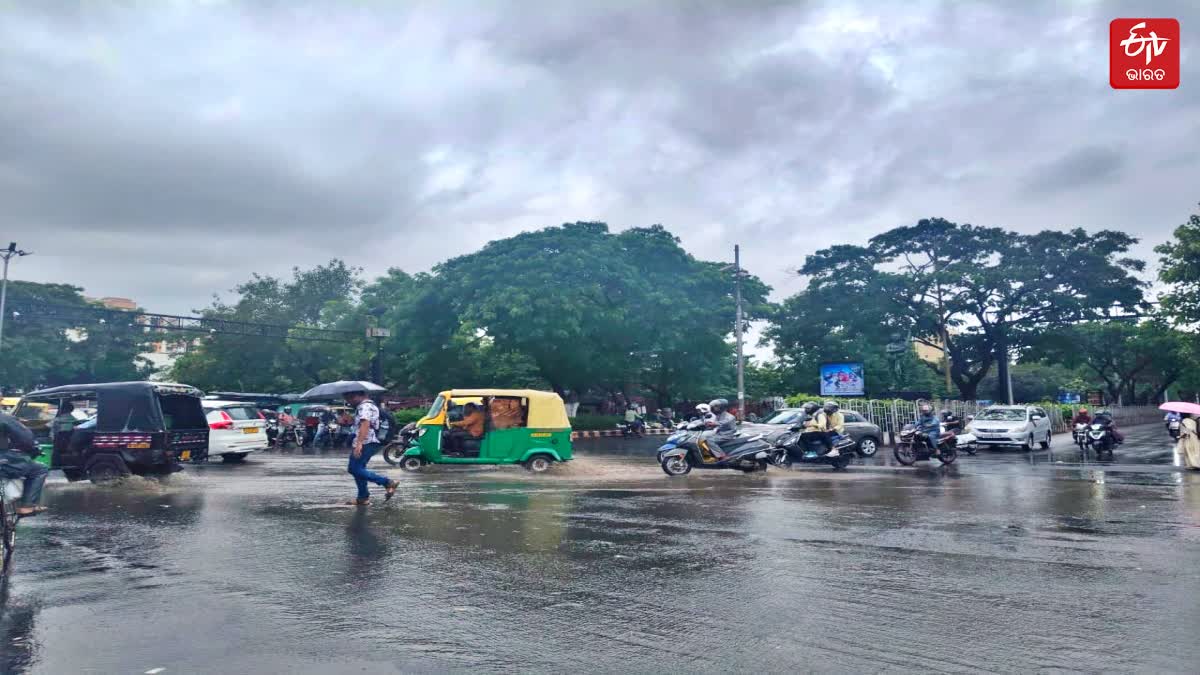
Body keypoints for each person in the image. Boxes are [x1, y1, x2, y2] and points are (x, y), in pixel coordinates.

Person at [342, 390, 398, 505]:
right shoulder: (368, 406)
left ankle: (387, 482)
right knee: (359, 468)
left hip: (367, 442)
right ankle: (362, 497)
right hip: (369, 441)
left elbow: (365, 424)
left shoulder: (365, 406)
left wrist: (359, 444)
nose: (349, 400)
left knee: (354, 469)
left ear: (360, 395)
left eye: (350, 397)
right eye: (347, 398)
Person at [0, 413, 49, 516]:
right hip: (4, 460)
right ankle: (27, 506)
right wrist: (33, 449)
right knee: (40, 469)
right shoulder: (5, 418)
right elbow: (26, 439)